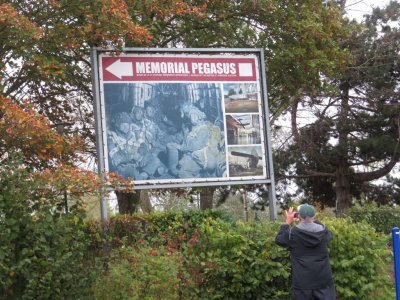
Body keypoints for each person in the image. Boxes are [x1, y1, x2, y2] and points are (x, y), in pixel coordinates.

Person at [275, 204, 336, 300]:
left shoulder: (292, 233)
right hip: (323, 280)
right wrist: (312, 218)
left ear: (298, 216)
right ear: (314, 216)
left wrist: (287, 223)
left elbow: (279, 240)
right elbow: (329, 235)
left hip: (302, 282)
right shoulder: (324, 232)